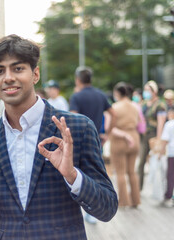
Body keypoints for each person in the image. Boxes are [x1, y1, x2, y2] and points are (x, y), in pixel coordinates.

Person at [0, 34, 117, 239]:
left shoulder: (76, 128)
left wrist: (72, 175)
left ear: (35, 74)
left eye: (18, 68)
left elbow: (107, 209)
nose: (8, 77)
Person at [69, 66, 115, 223]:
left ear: (78, 80)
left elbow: (73, 118)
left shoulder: (77, 96)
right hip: (96, 139)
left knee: (78, 176)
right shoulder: (101, 95)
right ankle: (93, 212)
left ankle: (82, 209)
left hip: (78, 140)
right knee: (96, 172)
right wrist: (108, 132)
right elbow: (112, 113)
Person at [110, 82, 141, 208]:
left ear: (117, 93)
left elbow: (110, 127)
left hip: (120, 139)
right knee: (132, 172)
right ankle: (136, 200)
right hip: (134, 137)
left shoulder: (115, 107)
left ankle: (123, 202)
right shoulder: (135, 107)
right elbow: (139, 123)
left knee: (121, 172)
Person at [138, 80, 167, 190]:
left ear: (154, 91)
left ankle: (158, 188)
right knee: (141, 163)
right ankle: (138, 188)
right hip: (143, 136)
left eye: (148, 90)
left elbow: (161, 123)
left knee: (156, 162)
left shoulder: (160, 105)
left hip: (154, 135)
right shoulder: (144, 104)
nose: (146, 92)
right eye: (145, 90)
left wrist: (159, 139)